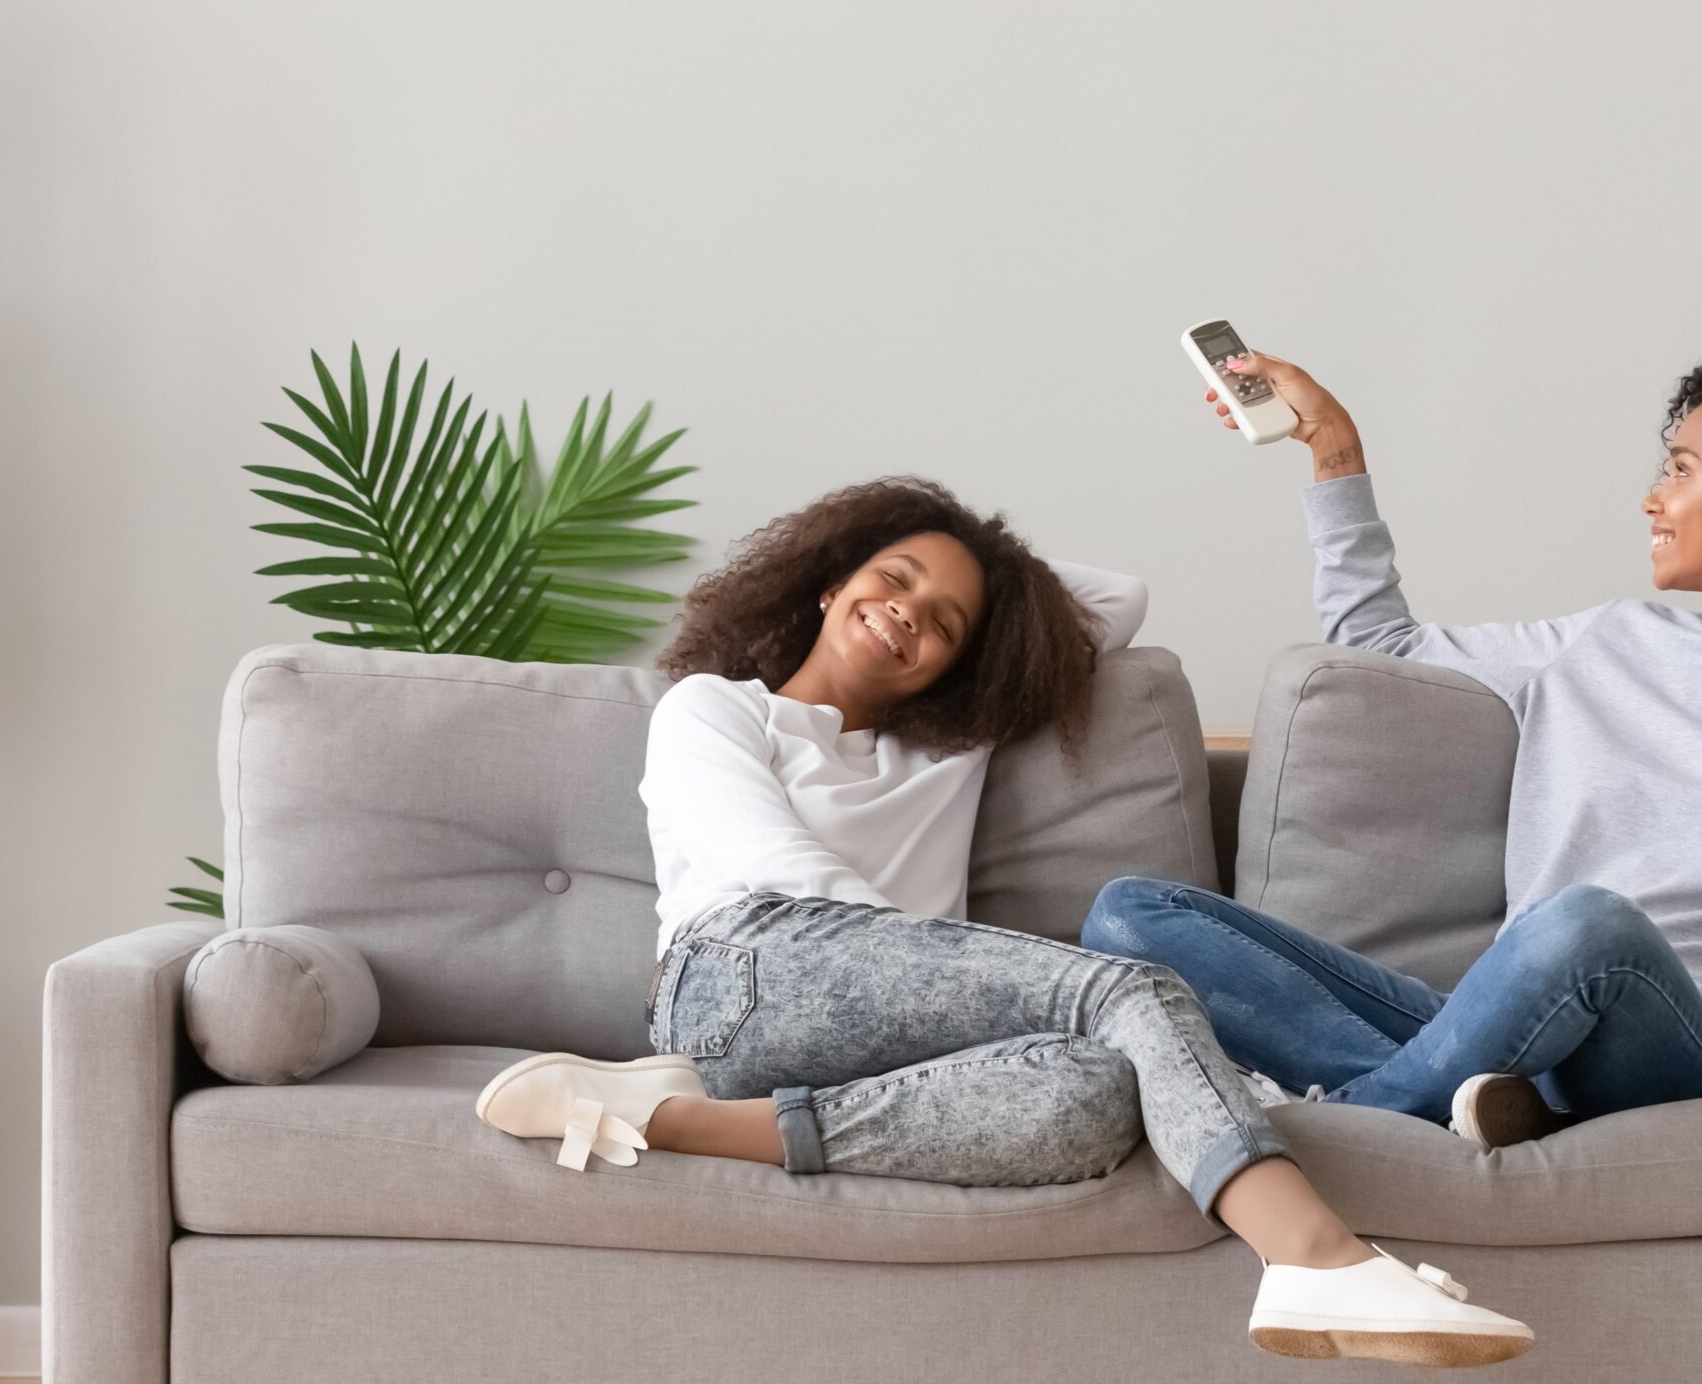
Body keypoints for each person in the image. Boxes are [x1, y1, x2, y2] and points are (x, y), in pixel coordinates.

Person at [474, 475, 1534, 1367]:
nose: (909, 616)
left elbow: (1115, 598)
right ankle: (1317, 1260)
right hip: (739, 976)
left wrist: (990, 600)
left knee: (1097, 1094)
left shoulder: (947, 749)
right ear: (829, 577)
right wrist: (967, 974)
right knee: (1124, 990)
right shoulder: (716, 707)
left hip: (871, 1045)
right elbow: (778, 876)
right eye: (892, 579)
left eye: (945, 624)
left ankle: (669, 1122)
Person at [1085, 331, 1702, 1152]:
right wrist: (1333, 450)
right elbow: (1379, 645)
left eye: (1680, 468)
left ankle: (1366, 1131)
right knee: (1133, 916)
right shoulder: (1604, 641)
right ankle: (1462, 1103)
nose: (1651, 498)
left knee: (1587, 925)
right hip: (1519, 1028)